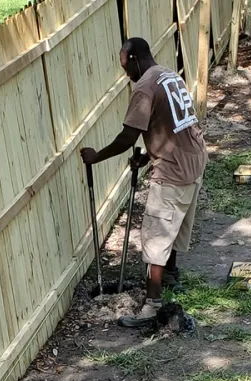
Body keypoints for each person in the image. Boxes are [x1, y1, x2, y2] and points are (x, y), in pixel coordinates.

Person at [80, 36, 207, 327]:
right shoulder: (168, 75)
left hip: (174, 171)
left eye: (126, 67)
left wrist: (96, 156)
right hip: (194, 160)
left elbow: (127, 138)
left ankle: (152, 307)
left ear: (136, 58)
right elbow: (173, 125)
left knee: (155, 237)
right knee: (174, 226)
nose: (127, 74)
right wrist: (148, 157)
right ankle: (171, 274)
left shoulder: (144, 88)